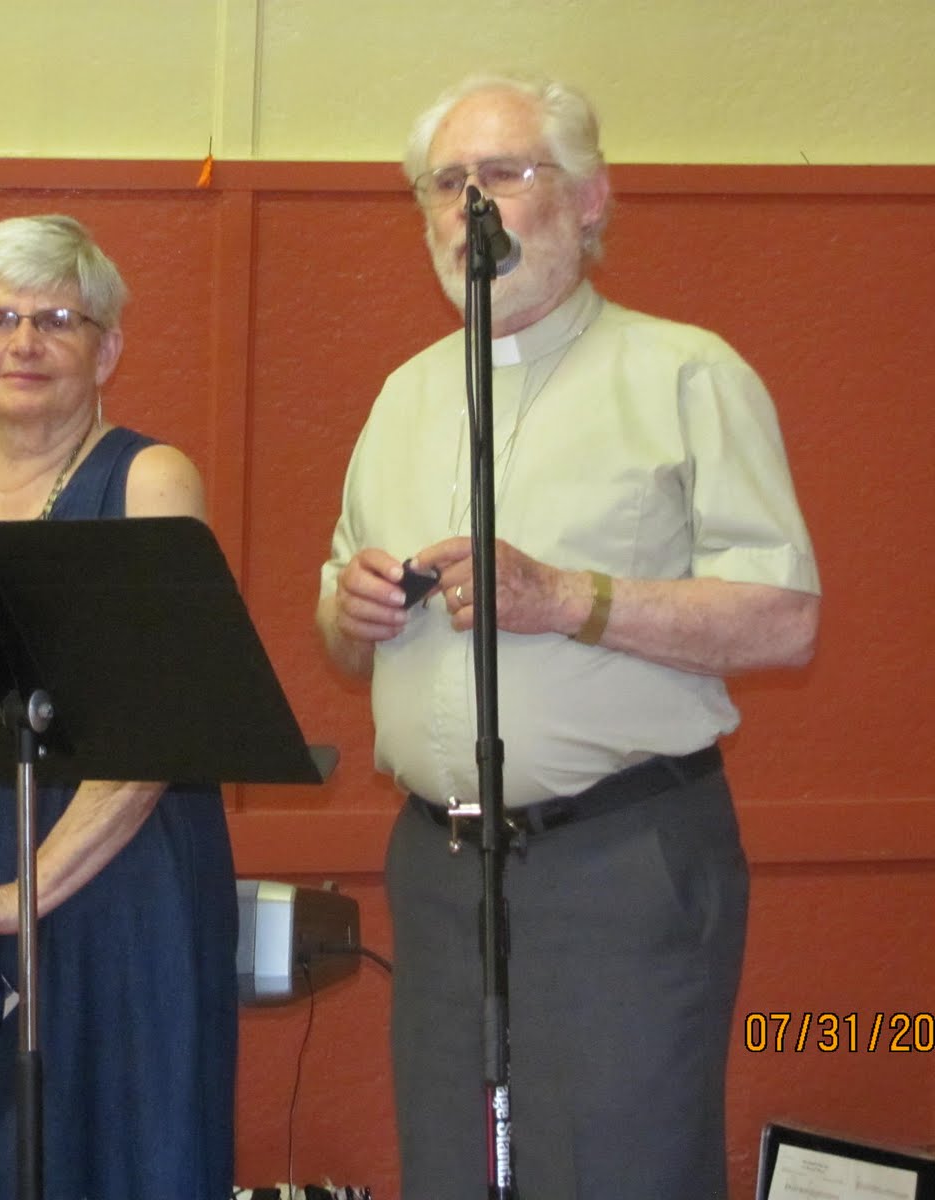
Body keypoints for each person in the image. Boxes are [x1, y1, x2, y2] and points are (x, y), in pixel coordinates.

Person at [316, 76, 820, 1199]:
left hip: (617, 858)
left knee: (619, 1168)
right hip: (438, 868)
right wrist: (345, 616)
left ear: (590, 201)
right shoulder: (402, 397)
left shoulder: (685, 374)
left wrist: (565, 600)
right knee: (450, 1171)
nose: (469, 205)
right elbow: (343, 637)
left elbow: (783, 619)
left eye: (504, 174)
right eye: (445, 183)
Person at [0, 214, 238, 1199]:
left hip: (118, 882)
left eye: (58, 318)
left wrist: (19, 896)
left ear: (108, 348)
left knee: (121, 1154)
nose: (23, 342)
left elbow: (154, 739)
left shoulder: (150, 480)